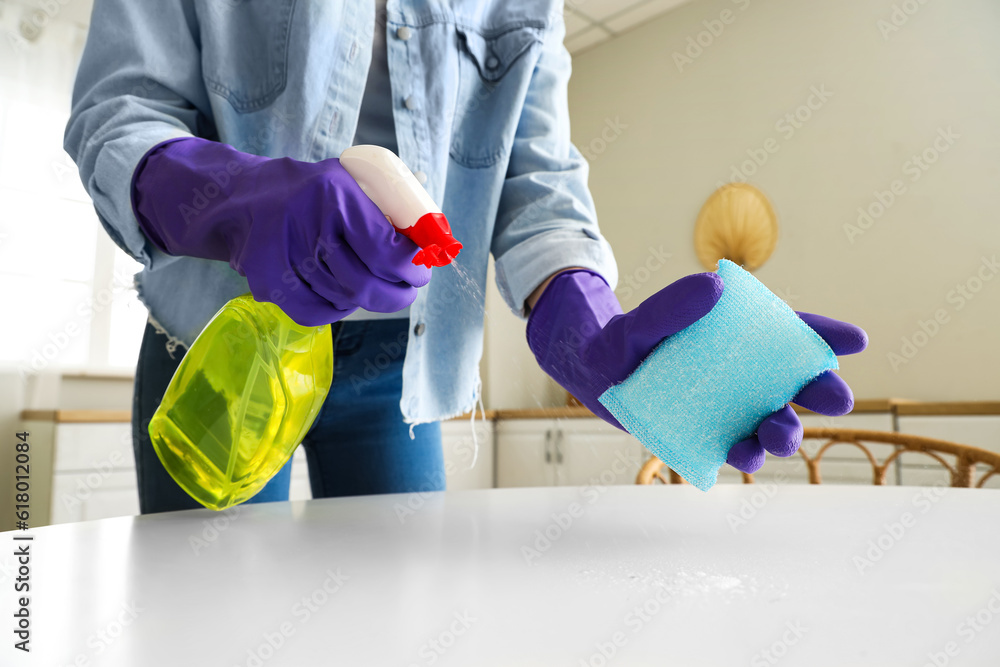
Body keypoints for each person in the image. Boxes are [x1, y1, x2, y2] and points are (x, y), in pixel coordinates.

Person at [65, 0, 866, 514]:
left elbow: (537, 176)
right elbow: (120, 112)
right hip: (213, 342)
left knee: (398, 625)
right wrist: (234, 202)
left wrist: (582, 319)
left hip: (398, 374)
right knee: (206, 618)